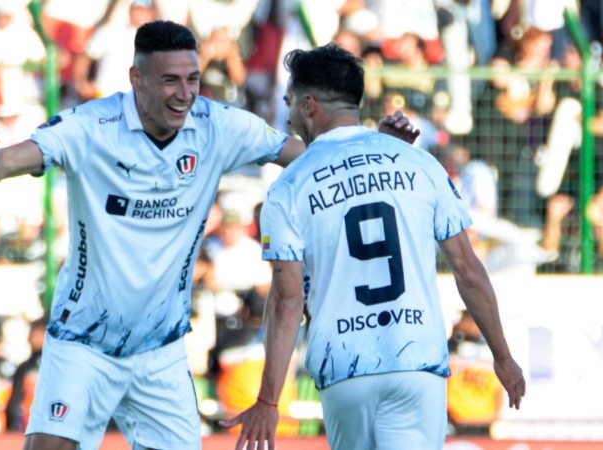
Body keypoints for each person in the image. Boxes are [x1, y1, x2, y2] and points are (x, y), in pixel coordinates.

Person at [0, 20, 419, 450]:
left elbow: (309, 156)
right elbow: (9, 161)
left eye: (193, 79)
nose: (185, 94)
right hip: (83, 344)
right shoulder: (90, 127)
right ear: (136, 79)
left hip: (160, 351)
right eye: (170, 81)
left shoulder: (217, 126)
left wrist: (374, 149)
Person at [220, 43, 525, 450]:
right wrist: (502, 357)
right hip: (417, 361)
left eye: (290, 102)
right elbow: (468, 270)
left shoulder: (287, 189)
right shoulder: (418, 163)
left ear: (310, 105)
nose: (288, 115)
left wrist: (269, 399)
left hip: (346, 368)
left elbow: (287, 302)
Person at [6, 317, 48, 432]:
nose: (33, 338)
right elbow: (15, 399)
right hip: (28, 425)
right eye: (32, 334)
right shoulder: (25, 367)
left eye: (38, 334)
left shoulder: (58, 365)